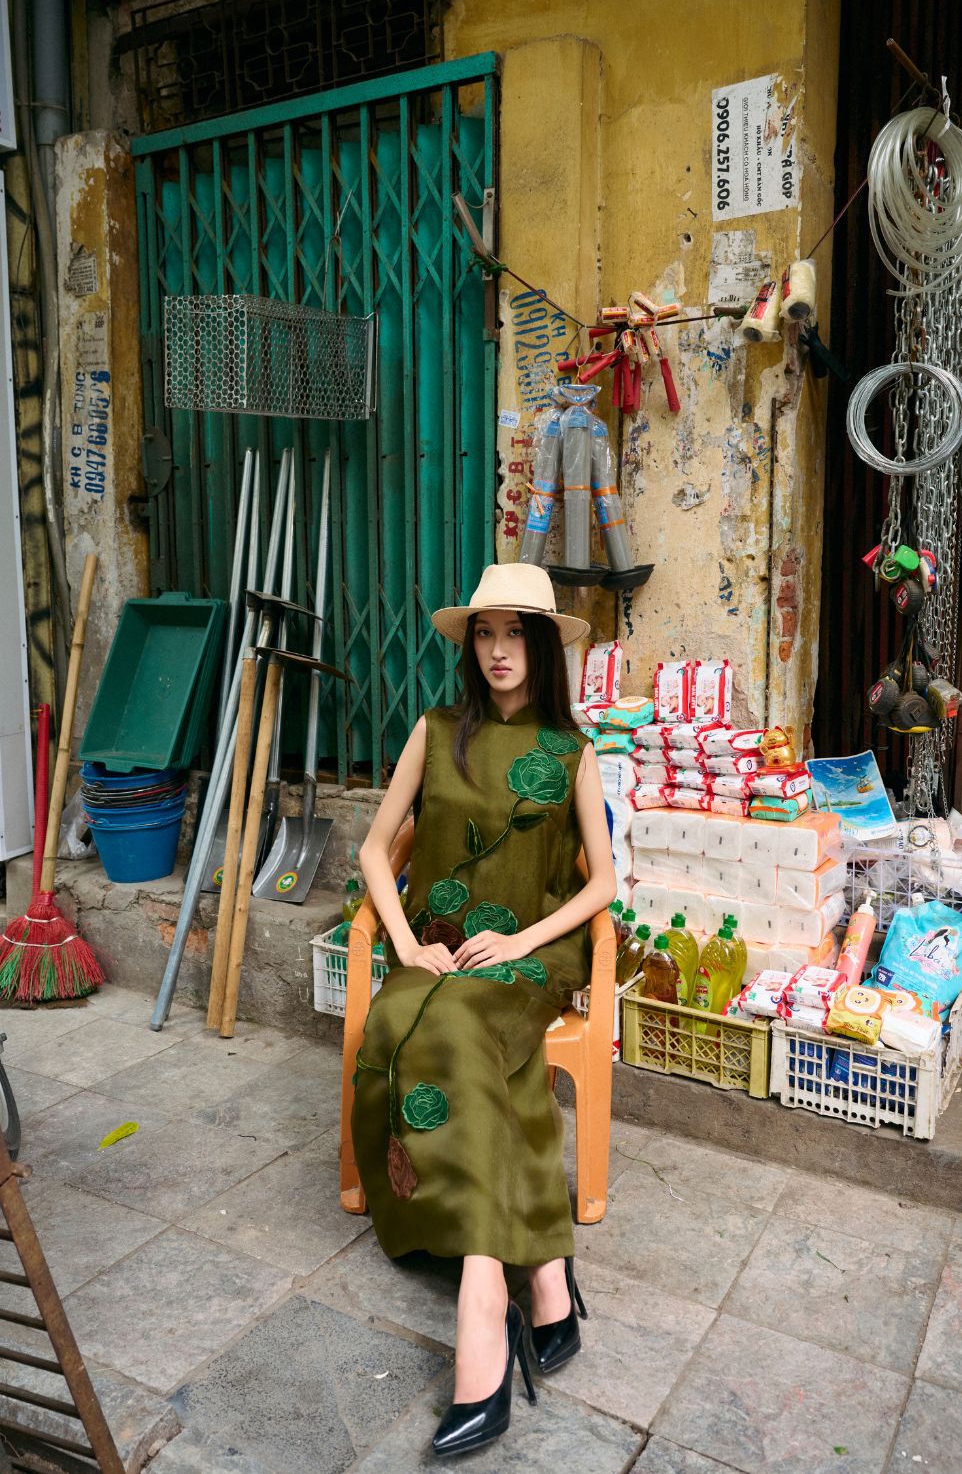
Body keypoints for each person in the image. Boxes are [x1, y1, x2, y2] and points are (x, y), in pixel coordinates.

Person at [352, 563, 616, 1458]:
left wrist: (521, 940)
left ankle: (482, 1304)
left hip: (529, 953)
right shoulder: (434, 733)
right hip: (437, 946)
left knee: (461, 1024)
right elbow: (375, 850)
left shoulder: (571, 751)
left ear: (542, 647)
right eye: (485, 635)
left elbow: (603, 883)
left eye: (515, 634)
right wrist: (405, 942)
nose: (499, 651)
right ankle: (540, 1272)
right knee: (415, 1022)